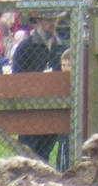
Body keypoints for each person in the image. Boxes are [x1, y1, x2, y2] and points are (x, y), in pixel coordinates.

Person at [12, 13, 68, 165]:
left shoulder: (62, 47)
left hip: (53, 110)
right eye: (49, 19)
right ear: (38, 21)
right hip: (30, 111)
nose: (53, 23)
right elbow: (17, 81)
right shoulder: (25, 48)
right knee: (28, 157)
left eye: (54, 18)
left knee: (45, 155)